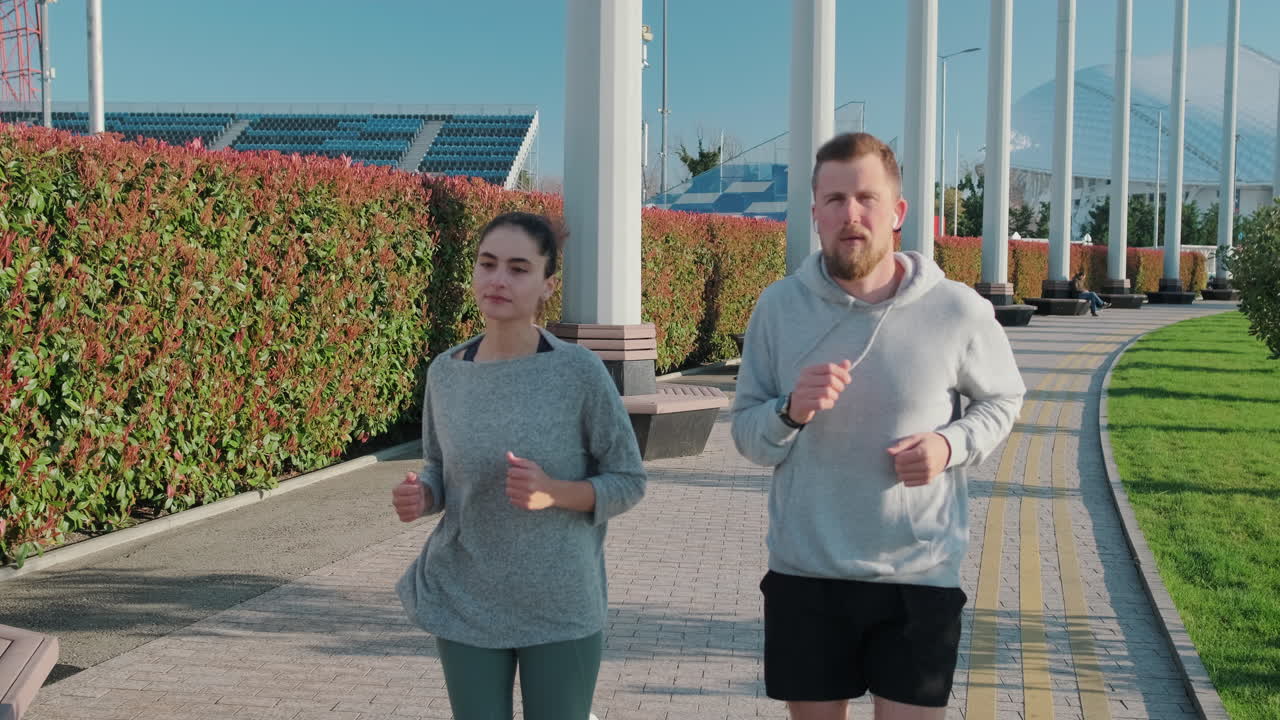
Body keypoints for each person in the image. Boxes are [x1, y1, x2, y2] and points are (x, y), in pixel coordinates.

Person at [731, 132, 1025, 720]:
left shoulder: (957, 309)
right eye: (835, 199)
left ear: (897, 212)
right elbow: (747, 435)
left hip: (919, 577)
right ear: (815, 213)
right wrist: (790, 411)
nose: (851, 214)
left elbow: (1003, 398)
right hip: (807, 575)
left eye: (867, 198)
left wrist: (949, 445)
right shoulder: (779, 308)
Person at [392, 211, 646, 720]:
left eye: (518, 268)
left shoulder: (578, 372)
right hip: (466, 596)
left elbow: (628, 480)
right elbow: (439, 465)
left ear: (548, 284)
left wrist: (554, 492)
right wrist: (424, 493)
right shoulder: (446, 372)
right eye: (487, 264)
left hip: (560, 602)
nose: (498, 279)